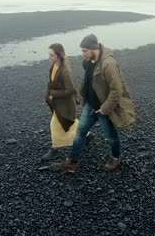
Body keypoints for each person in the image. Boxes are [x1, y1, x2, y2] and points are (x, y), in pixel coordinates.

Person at [52, 34, 135, 173]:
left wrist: (105, 109)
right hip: (90, 104)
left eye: (84, 51)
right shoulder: (89, 61)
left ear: (93, 49)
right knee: (80, 132)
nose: (82, 54)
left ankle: (116, 159)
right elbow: (92, 82)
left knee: (111, 137)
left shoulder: (108, 64)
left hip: (103, 108)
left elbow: (117, 90)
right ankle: (72, 162)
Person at [42, 43, 94, 160]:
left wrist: (53, 94)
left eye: (52, 55)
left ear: (59, 56)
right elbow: (52, 83)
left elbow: (70, 90)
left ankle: (54, 148)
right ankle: (88, 135)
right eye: (49, 55)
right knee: (71, 123)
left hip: (65, 104)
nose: (49, 57)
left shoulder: (65, 71)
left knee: (55, 124)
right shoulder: (54, 66)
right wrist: (48, 94)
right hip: (58, 102)